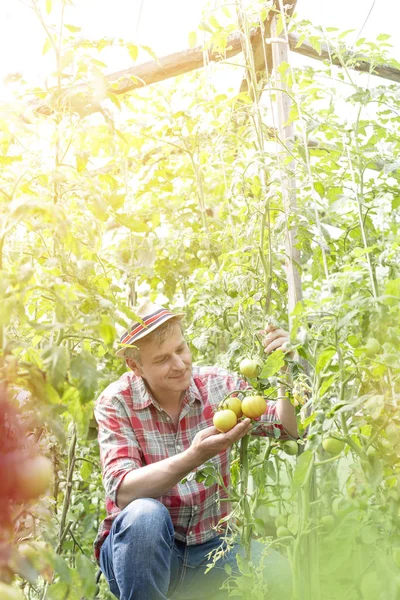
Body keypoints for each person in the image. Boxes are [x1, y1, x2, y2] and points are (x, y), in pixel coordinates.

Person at [94, 301, 298, 600]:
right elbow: (123, 491)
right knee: (145, 516)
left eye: (181, 349)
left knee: (280, 575)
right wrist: (194, 456)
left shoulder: (219, 387)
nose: (178, 364)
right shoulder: (116, 402)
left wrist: (284, 371)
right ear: (135, 366)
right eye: (162, 359)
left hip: (213, 547)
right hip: (143, 554)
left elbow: (288, 428)